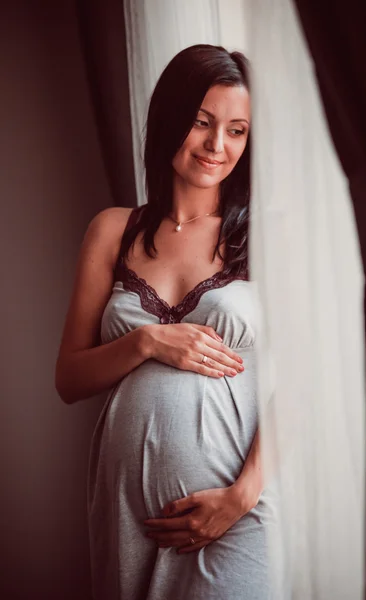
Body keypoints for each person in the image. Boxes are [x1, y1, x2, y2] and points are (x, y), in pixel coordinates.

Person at [56, 44, 269, 600]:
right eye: (202, 123)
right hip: (129, 516)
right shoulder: (113, 231)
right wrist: (147, 342)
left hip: (231, 511)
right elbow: (69, 379)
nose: (217, 146)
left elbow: (305, 380)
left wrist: (241, 495)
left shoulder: (264, 236)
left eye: (237, 130)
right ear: (171, 117)